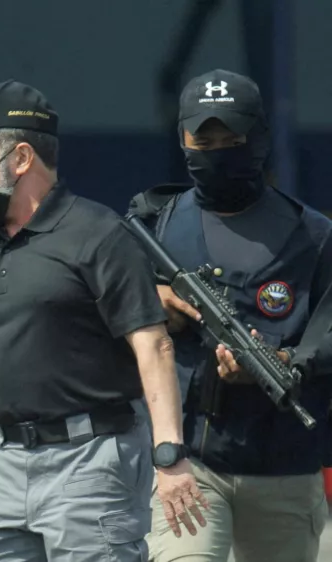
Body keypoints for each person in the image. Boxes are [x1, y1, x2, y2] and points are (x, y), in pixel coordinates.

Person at [0, 80, 207, 561]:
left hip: (90, 462)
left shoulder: (98, 233)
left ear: (19, 158)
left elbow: (153, 345)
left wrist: (169, 454)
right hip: (3, 467)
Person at [129, 69, 332, 562]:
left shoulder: (312, 235)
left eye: (231, 139)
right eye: (204, 140)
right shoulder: (156, 224)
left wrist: (286, 360)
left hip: (283, 464)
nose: (217, 151)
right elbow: (99, 314)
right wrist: (149, 298)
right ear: (182, 139)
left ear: (258, 137)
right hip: (187, 463)